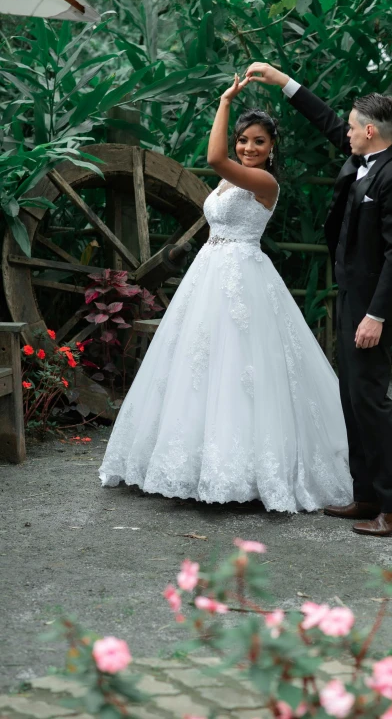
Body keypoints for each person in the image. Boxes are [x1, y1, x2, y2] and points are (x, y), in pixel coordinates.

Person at [98, 74, 356, 513]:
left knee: (241, 369)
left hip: (243, 275)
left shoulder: (264, 184)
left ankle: (247, 471)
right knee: (197, 367)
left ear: (272, 147)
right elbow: (222, 165)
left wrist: (224, 102)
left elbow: (214, 156)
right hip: (209, 274)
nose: (248, 148)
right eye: (243, 140)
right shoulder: (231, 181)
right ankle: (189, 465)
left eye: (258, 142)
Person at [245, 62, 392, 535]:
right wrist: (282, 81)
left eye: (353, 127)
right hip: (350, 296)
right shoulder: (363, 159)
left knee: (371, 401)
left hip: (373, 306)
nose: (346, 132)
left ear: (371, 131)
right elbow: (326, 121)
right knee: (351, 398)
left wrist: (375, 314)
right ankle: (367, 495)